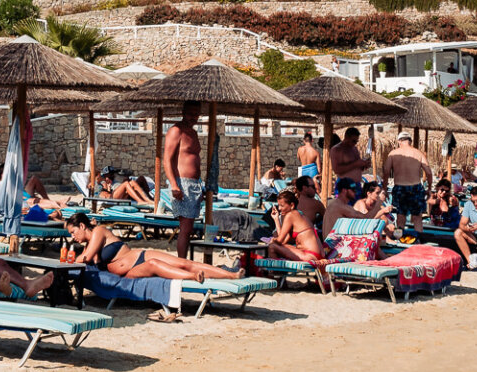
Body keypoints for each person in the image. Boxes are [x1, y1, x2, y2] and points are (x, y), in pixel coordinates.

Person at [65, 214, 243, 283]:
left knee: (184, 262)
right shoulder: (88, 245)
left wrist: (69, 259)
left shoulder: (98, 231)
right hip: (131, 271)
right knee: (155, 264)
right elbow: (87, 259)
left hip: (140, 255)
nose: (73, 237)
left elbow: (85, 258)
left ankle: (231, 275)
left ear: (82, 226)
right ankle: (193, 277)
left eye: (73, 232)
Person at [161, 101, 208, 258]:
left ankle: (183, 260)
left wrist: (200, 186)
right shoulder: (176, 131)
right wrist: (174, 185)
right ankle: (182, 261)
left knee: (189, 228)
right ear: (183, 112)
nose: (193, 117)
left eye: (196, 114)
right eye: (190, 113)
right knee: (186, 228)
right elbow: (167, 159)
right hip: (182, 184)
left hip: (195, 185)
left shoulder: (193, 133)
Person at [384, 132, 431, 238]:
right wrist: (429, 188)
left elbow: (386, 171)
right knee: (417, 218)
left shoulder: (393, 154)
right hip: (416, 187)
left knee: (400, 218)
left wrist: (384, 188)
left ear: (399, 141)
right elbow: (428, 172)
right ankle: (419, 240)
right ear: (410, 141)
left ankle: (398, 239)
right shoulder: (418, 153)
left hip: (400, 187)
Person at [266, 190, 327, 264]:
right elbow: (283, 241)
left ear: (292, 205)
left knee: (272, 247)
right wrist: (276, 219)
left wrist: (273, 240)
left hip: (310, 255)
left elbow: (279, 241)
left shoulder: (291, 215)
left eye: (282, 205)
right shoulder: (300, 215)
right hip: (316, 255)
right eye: (278, 205)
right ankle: (278, 269)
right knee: (277, 245)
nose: (279, 208)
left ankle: (275, 270)